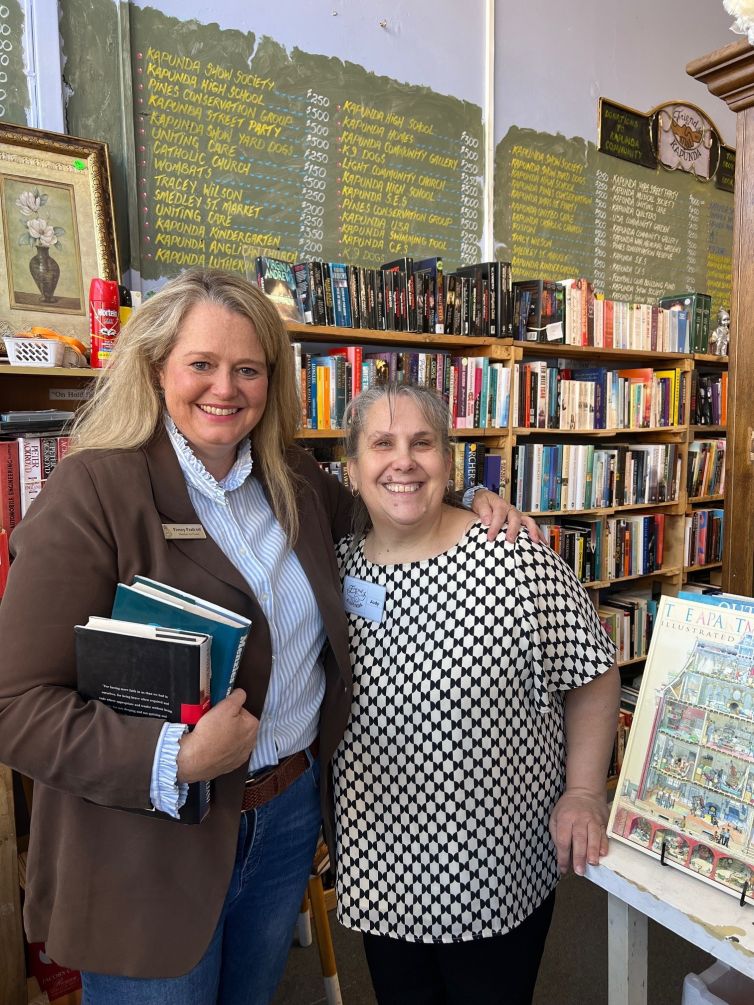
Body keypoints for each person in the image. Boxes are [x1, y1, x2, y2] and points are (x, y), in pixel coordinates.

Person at [0, 268, 530, 1004]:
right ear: (158, 370)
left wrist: (474, 498)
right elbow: (16, 703)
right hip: (149, 842)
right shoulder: (93, 489)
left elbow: (397, 502)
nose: (226, 387)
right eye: (202, 364)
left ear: (271, 379)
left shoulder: (297, 482)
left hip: (284, 821)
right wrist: (174, 756)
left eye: (248, 368)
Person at [332, 383, 620, 1005]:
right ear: (351, 470)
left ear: (448, 462)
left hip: (496, 868)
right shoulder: (334, 570)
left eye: (422, 443)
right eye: (381, 444)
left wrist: (584, 792)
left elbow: (594, 677)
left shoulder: (516, 560)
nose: (403, 461)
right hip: (380, 869)